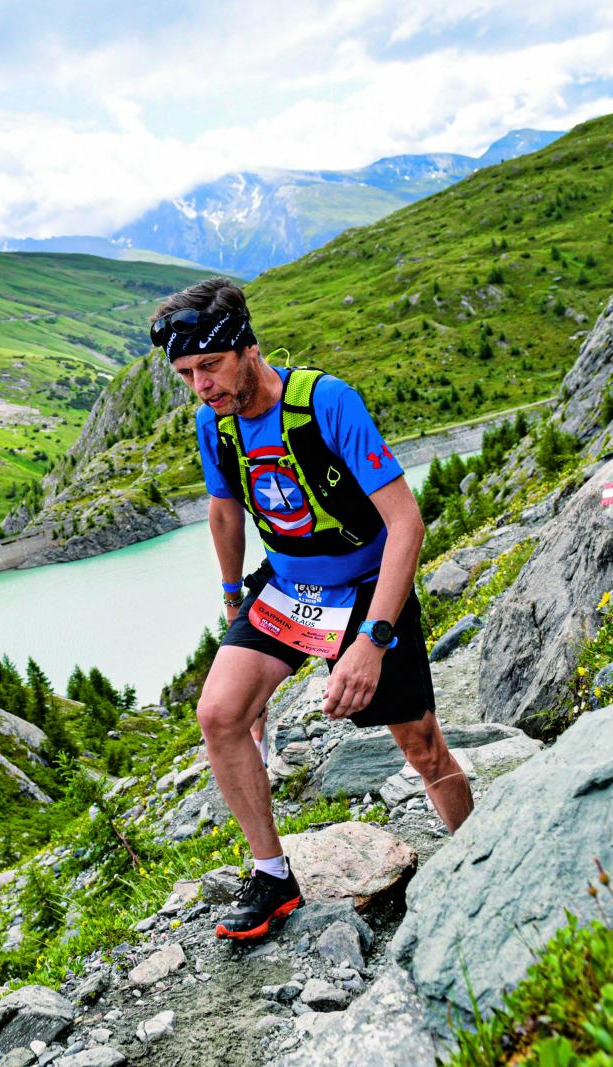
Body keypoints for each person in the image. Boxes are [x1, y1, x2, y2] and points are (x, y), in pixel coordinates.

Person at [155, 277, 474, 941]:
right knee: (219, 713)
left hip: (365, 584)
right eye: (185, 374)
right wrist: (232, 600)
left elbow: (406, 522)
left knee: (419, 743)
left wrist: (372, 640)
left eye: (209, 366)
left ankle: (481, 850)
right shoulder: (212, 421)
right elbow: (224, 510)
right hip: (289, 584)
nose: (200, 386)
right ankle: (273, 876)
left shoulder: (327, 403)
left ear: (248, 347)